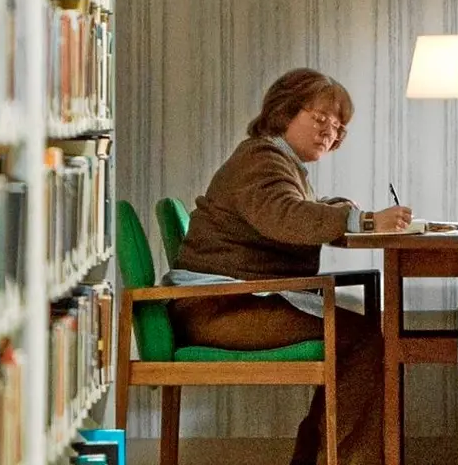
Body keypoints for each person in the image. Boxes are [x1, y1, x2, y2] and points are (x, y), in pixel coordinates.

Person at [167, 68, 410, 465]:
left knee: (359, 336)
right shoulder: (261, 159)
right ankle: (339, 458)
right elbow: (285, 216)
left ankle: (317, 456)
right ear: (284, 111)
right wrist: (363, 221)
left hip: (228, 301)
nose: (329, 132)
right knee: (364, 340)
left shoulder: (275, 160)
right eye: (320, 119)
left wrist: (336, 209)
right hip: (220, 307)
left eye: (338, 127)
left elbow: (289, 210)